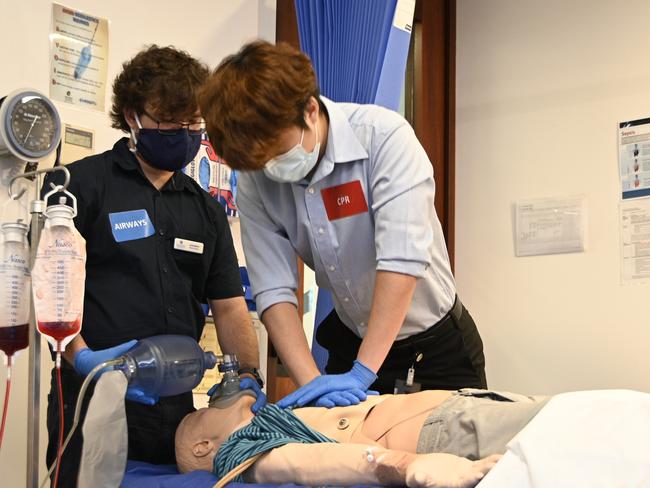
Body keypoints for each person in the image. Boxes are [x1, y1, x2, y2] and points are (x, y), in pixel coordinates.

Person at [198, 40, 486, 409]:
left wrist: (363, 374)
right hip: (349, 342)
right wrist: (312, 385)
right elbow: (274, 290)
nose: (270, 167)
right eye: (258, 161)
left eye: (276, 151)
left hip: (435, 347)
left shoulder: (384, 139)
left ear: (310, 110)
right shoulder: (256, 178)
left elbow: (401, 262)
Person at [42, 45, 261, 487]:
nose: (183, 133)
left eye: (192, 123)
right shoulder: (79, 187)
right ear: (132, 116)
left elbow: (231, 307)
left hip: (174, 407)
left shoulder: (206, 210)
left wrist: (249, 376)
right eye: (168, 122)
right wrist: (82, 357)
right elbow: (49, 289)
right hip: (90, 397)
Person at [176, 384, 548, 487]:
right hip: (451, 433)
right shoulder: (238, 451)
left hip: (466, 408)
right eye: (202, 411)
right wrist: (410, 466)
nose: (211, 399)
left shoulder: (274, 415)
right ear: (203, 446)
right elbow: (304, 464)